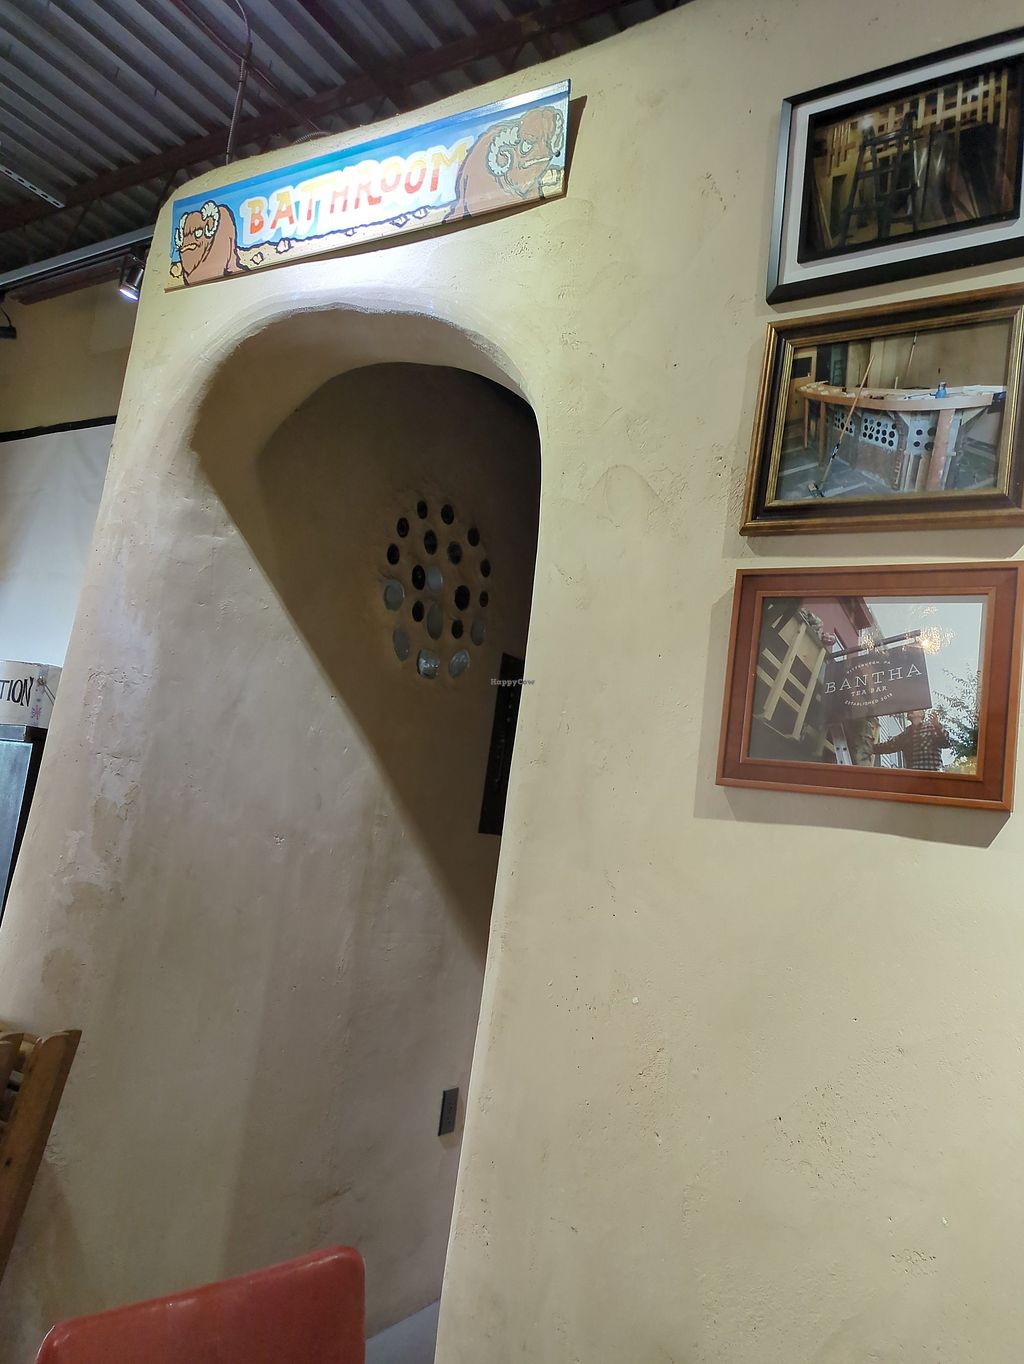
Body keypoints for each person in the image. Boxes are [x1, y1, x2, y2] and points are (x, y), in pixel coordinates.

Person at [872, 708, 949, 771]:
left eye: (916, 709)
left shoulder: (931, 727)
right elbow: (889, 745)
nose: (910, 710)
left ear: (921, 714)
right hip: (914, 777)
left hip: (932, 775)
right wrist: (870, 748)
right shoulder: (906, 734)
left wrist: (937, 726)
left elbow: (946, 742)